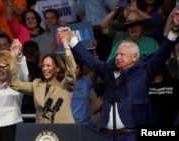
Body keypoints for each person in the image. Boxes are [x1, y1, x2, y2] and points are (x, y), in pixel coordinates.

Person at [56, 9, 179, 140]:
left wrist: (175, 29)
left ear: (134, 57)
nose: (118, 57)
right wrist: (71, 38)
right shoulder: (107, 70)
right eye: (117, 54)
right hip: (107, 135)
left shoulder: (144, 70)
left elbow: (161, 55)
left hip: (133, 135)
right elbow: (89, 60)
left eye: (122, 54)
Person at [9, 36, 77, 123]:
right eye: (43, 66)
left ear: (57, 68)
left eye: (48, 65)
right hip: (43, 132)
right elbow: (14, 84)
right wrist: (13, 59)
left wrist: (66, 46)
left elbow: (71, 71)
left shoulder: (66, 83)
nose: (45, 69)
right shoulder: (37, 84)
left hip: (63, 130)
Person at [71, 57, 96, 127]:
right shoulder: (63, 84)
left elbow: (95, 66)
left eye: (76, 67)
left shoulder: (86, 81)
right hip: (69, 125)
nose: (73, 69)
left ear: (80, 70)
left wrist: (94, 51)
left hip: (85, 124)